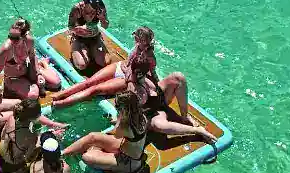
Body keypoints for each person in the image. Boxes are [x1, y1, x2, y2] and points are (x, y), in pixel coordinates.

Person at [52, 52, 216, 145]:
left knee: (178, 77)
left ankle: (185, 118)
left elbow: (130, 112)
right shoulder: (135, 82)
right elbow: (129, 111)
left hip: (155, 103)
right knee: (158, 123)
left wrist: (118, 122)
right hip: (152, 108)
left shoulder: (139, 78)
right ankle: (195, 129)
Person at [63, 90, 148, 173]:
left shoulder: (125, 126)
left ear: (124, 109)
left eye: (117, 106)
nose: (115, 107)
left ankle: (77, 152)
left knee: (86, 157)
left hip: (128, 162)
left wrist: (119, 118)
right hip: (126, 148)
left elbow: (115, 133)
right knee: (93, 136)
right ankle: (63, 153)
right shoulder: (143, 117)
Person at [0, 18, 61, 101]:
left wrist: (38, 74)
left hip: (28, 70)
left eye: (16, 38)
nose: (12, 40)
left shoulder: (29, 41)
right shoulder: (5, 49)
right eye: (10, 37)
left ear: (24, 36)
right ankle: (32, 84)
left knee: (56, 83)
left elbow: (32, 57)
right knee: (33, 95)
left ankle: (43, 64)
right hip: (14, 78)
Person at [0, 99, 69, 173]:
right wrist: (50, 135)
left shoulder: (11, 118)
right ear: (35, 117)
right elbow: (28, 158)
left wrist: (54, 124)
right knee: (43, 149)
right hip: (11, 170)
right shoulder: (31, 136)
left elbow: (3, 136)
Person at [67, 0, 110, 73]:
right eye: (94, 3)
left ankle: (91, 50)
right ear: (87, 1)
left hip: (95, 37)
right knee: (81, 65)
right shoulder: (77, 9)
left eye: (98, 2)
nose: (97, 5)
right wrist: (78, 29)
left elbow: (105, 26)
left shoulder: (100, 8)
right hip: (79, 38)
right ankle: (78, 49)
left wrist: (102, 18)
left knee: (105, 62)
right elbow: (70, 26)